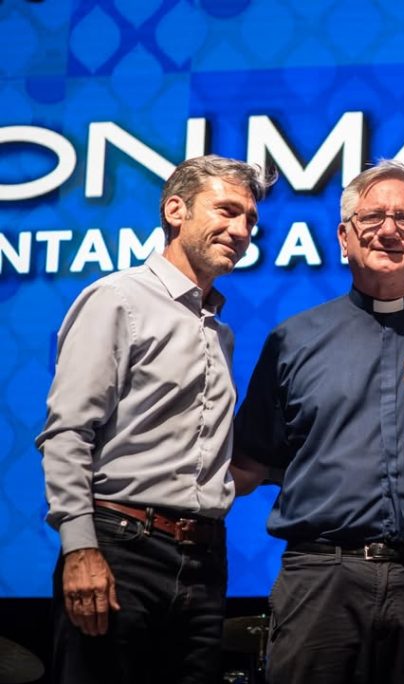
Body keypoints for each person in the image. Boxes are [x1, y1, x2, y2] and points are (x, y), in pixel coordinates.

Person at [230, 160, 404, 684]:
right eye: (372, 218)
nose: (389, 230)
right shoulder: (292, 341)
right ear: (344, 238)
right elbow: (249, 463)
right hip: (320, 580)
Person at [37, 154, 273, 684]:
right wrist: (80, 548)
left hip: (204, 561)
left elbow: (199, 459)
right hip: (122, 549)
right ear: (175, 211)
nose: (241, 231)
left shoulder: (220, 332)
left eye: (250, 220)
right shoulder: (118, 299)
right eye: (227, 211)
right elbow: (68, 432)